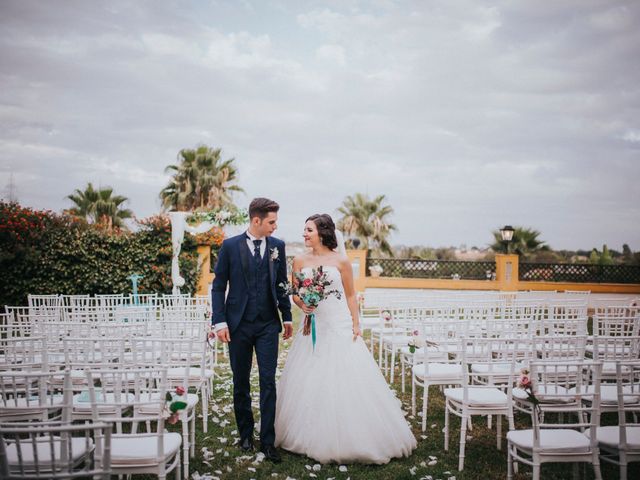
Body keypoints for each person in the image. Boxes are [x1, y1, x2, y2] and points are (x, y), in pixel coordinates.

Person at [275, 214, 417, 464]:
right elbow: (296, 293)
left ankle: (357, 435)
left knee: (345, 375)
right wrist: (303, 304)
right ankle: (309, 432)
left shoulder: (341, 261)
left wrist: (355, 323)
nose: (304, 234)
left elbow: (351, 296)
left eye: (308, 230)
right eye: (304, 230)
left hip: (338, 323)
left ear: (322, 232)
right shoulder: (299, 259)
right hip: (314, 323)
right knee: (309, 374)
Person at [212, 197, 292, 463]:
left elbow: (281, 284)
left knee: (268, 382)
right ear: (256, 220)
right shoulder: (230, 246)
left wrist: (288, 316)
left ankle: (268, 442)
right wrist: (220, 321)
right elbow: (218, 286)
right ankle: (245, 434)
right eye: (271, 221)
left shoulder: (277, 247)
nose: (275, 226)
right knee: (241, 382)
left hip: (268, 324)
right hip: (238, 326)